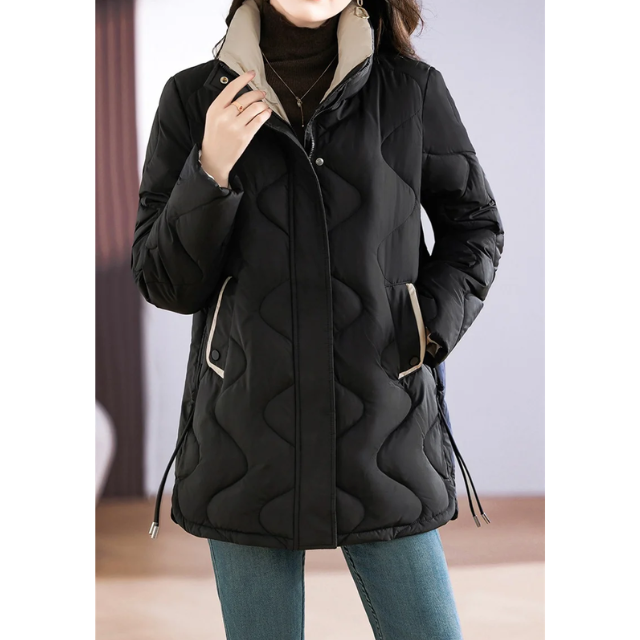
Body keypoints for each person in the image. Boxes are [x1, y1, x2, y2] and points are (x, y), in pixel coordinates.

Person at [130, 0, 505, 637]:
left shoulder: (411, 92)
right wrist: (209, 169)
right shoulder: (193, 99)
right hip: (245, 437)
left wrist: (422, 328)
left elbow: (476, 228)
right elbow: (164, 279)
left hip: (383, 429)